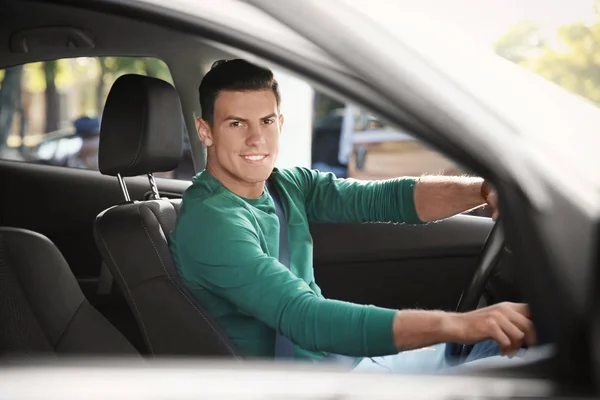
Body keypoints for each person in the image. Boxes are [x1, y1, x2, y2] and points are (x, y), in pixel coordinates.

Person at [169, 59, 535, 373]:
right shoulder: (211, 221)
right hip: (303, 386)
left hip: (345, 365)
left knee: (525, 347)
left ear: (280, 122)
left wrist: (483, 190)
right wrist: (460, 325)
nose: (256, 139)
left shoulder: (284, 185)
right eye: (236, 124)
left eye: (265, 121)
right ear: (206, 131)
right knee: (526, 372)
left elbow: (385, 199)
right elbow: (306, 317)